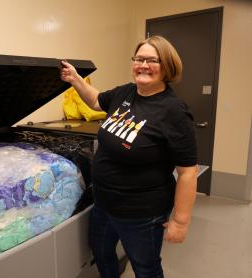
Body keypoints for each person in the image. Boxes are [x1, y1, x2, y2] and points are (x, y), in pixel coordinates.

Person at [60, 35, 198, 278]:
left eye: (152, 60)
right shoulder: (125, 92)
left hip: (142, 213)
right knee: (101, 252)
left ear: (167, 66)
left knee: (146, 268)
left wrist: (180, 221)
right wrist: (75, 80)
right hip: (104, 202)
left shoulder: (174, 111)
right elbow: (94, 100)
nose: (143, 65)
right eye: (139, 59)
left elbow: (188, 172)